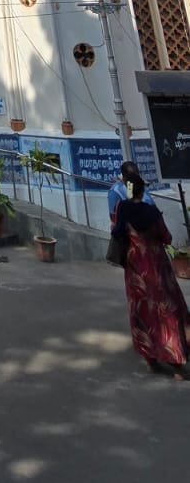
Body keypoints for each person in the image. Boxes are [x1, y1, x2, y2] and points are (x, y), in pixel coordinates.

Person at [111, 174, 189, 378]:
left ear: (128, 190)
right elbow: (167, 237)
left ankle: (151, 359)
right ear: (142, 190)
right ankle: (177, 361)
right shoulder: (152, 212)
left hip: (136, 266)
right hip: (157, 264)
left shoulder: (123, 209)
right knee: (168, 310)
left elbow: (117, 233)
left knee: (142, 310)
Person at [108, 160, 154, 224]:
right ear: (124, 177)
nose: (135, 179)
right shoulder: (115, 192)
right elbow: (113, 217)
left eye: (137, 176)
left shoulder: (141, 186)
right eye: (132, 177)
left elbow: (152, 205)